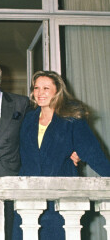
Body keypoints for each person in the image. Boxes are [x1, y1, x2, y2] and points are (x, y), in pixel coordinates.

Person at [12, 70, 110, 240]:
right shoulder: (27, 119)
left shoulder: (71, 119)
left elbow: (93, 153)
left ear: (57, 91)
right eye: (36, 88)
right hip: (28, 197)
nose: (40, 93)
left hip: (60, 198)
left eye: (46, 88)